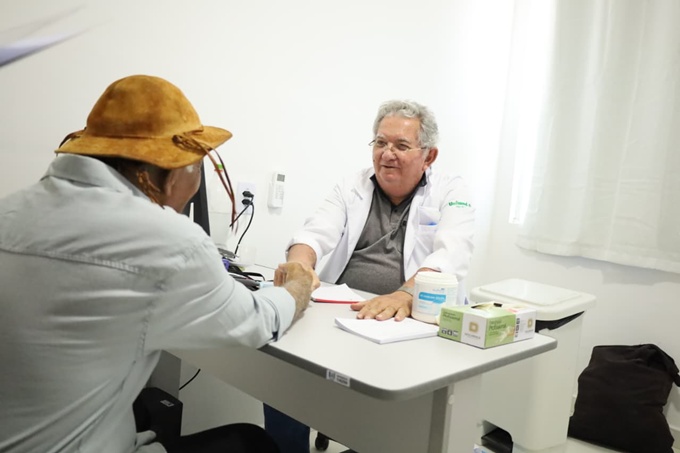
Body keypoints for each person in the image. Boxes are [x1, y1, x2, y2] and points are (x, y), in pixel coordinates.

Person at [0, 74, 318, 453]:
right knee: (252, 443)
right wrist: (297, 287)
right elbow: (258, 322)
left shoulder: (10, 209)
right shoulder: (167, 241)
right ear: (173, 171)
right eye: (196, 168)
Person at [264, 99, 475, 452]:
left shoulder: (451, 191)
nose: (387, 154)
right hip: (343, 313)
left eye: (401, 145)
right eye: (380, 142)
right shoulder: (353, 185)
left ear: (429, 156)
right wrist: (300, 265)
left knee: (393, 416)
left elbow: (452, 252)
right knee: (283, 367)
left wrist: (405, 294)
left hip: (410, 323)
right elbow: (314, 233)